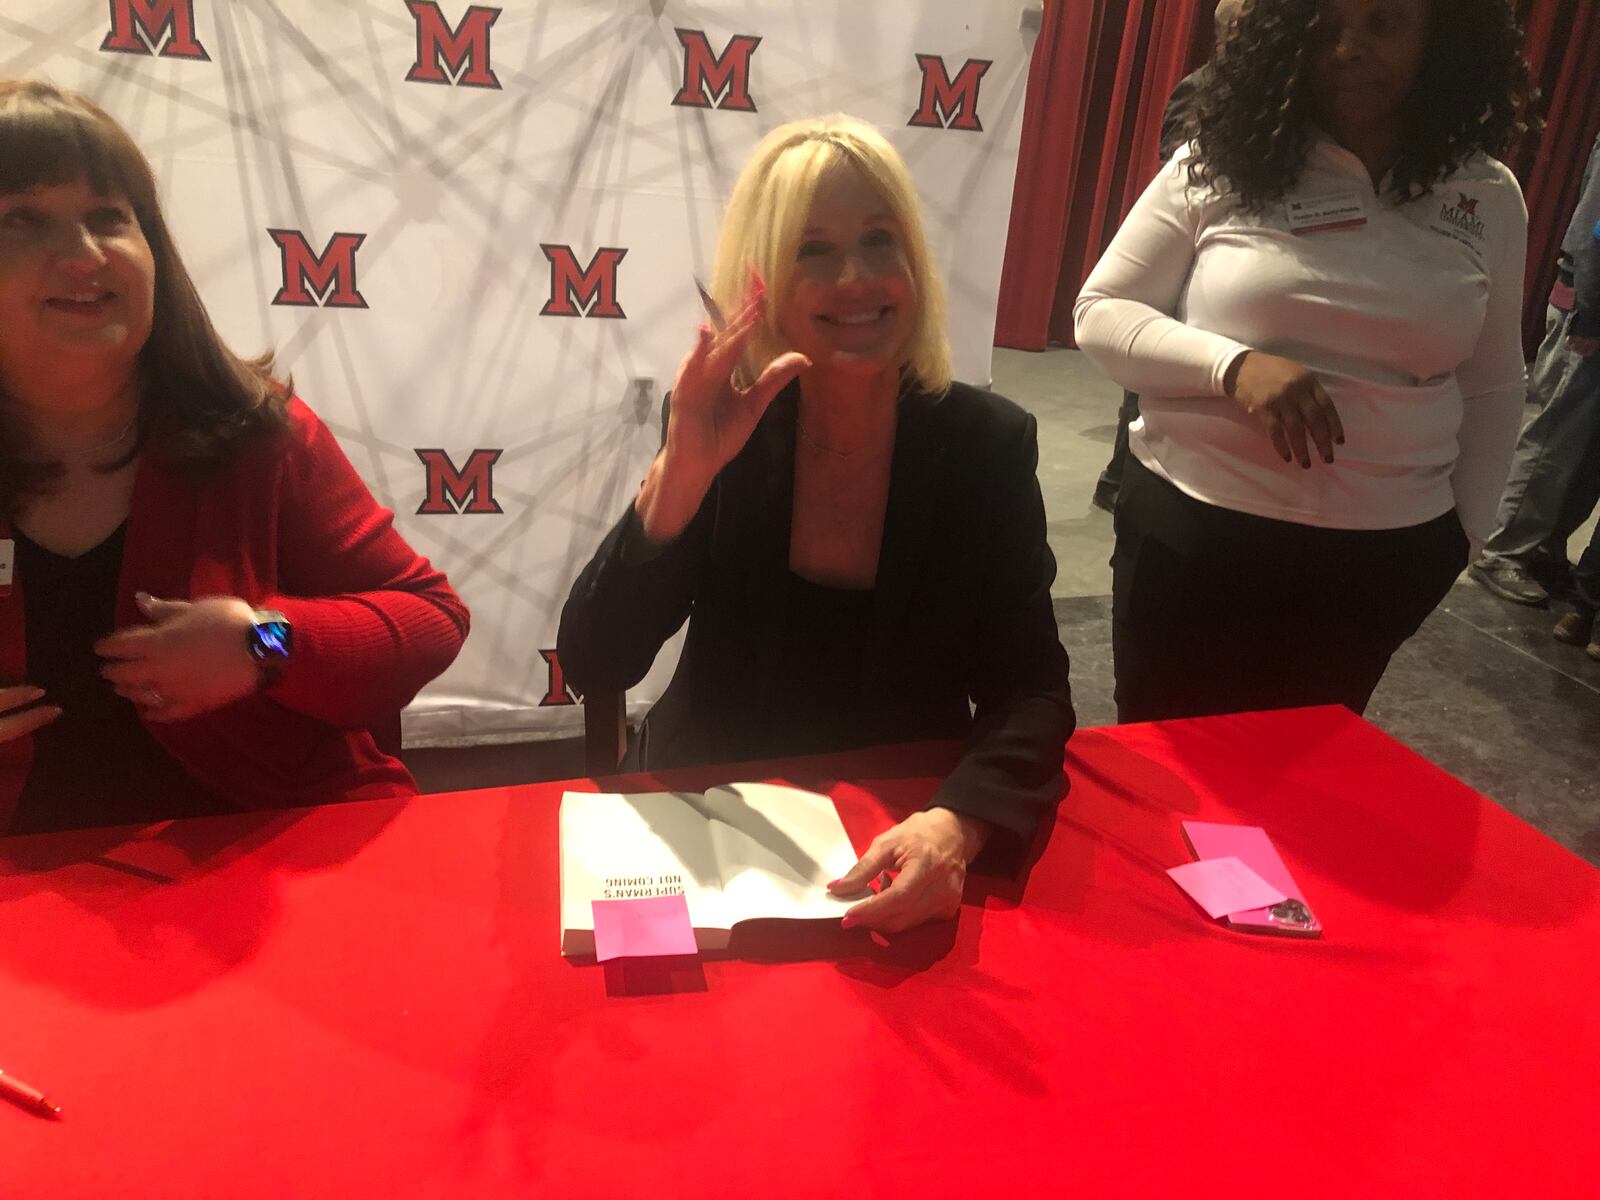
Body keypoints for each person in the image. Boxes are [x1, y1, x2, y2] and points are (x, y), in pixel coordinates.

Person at [558, 116, 1075, 934]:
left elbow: (1032, 690)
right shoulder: (722, 426)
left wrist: (959, 824)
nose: (855, 279)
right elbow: (597, 659)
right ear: (759, 281)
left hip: (901, 822)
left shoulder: (985, 445)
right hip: (713, 812)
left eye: (879, 240)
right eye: (812, 250)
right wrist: (684, 474)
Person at [0, 81, 469, 836]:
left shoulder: (256, 432)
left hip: (268, 852)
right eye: (23, 219)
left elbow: (430, 619)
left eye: (107, 219)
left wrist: (263, 641)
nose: (82, 254)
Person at [1073, 0, 1531, 722]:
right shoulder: (1224, 159)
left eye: (1384, 24)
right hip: (1196, 537)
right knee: (1167, 774)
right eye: (1323, 28)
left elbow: (1496, 383)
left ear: (1441, 37)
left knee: (1297, 784)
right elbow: (1099, 312)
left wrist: (1465, 537)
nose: (1349, 48)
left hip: (1380, 560)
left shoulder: (1489, 196)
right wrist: (1233, 366)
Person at [1093, 0, 1245, 513]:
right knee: (1151, 371)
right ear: (1228, 32)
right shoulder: (1203, 87)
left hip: (1217, 260)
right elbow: (1179, 165)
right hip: (1189, 254)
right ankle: (1119, 476)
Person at [1469, 131, 1600, 607]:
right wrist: (1590, 312)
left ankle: (1543, 548)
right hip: (1587, 312)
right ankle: (1502, 550)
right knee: (1554, 435)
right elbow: (1593, 234)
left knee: (1584, 451)